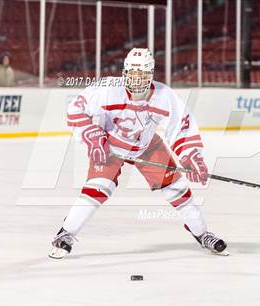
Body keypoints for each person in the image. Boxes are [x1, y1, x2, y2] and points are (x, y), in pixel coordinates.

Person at [49, 48, 228, 259]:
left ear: (151, 74)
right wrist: (92, 135)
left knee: (177, 189)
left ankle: (202, 233)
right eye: (132, 73)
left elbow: (182, 127)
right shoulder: (107, 88)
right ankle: (66, 233)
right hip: (110, 147)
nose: (136, 78)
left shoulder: (164, 95)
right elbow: (76, 109)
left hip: (146, 146)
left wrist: (192, 156)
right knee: (98, 188)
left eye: (141, 74)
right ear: (125, 72)